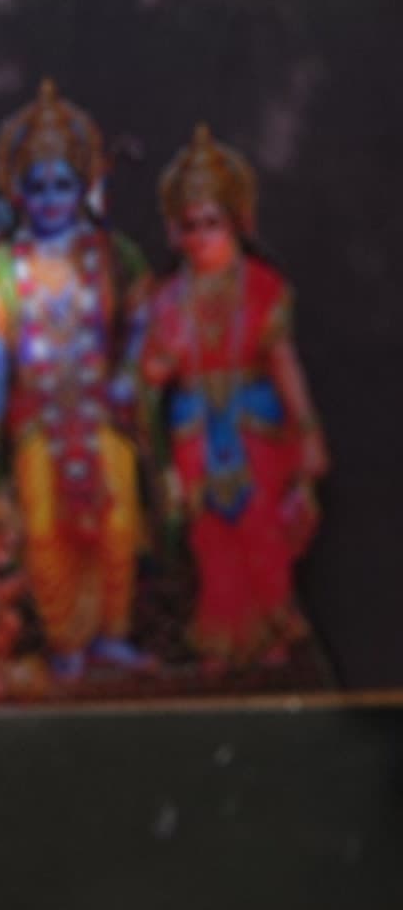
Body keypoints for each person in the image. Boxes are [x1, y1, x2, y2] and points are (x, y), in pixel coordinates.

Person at [136, 125, 328, 680]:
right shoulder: (167, 299)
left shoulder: (264, 287)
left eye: (212, 223)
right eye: (190, 225)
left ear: (237, 223)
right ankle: (219, 641)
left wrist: (309, 434)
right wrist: (156, 352)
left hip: (255, 423)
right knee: (210, 537)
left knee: (261, 529)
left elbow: (284, 363)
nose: (201, 236)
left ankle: (271, 635)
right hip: (196, 427)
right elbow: (152, 373)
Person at [0, 82, 147, 683]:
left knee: (118, 526)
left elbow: (146, 315)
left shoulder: (114, 253)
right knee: (45, 531)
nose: (52, 199)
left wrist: (128, 375)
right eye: (40, 186)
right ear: (19, 192)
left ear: (82, 188)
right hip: (36, 419)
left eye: (64, 185)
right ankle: (65, 642)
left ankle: (113, 635)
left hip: (102, 411)